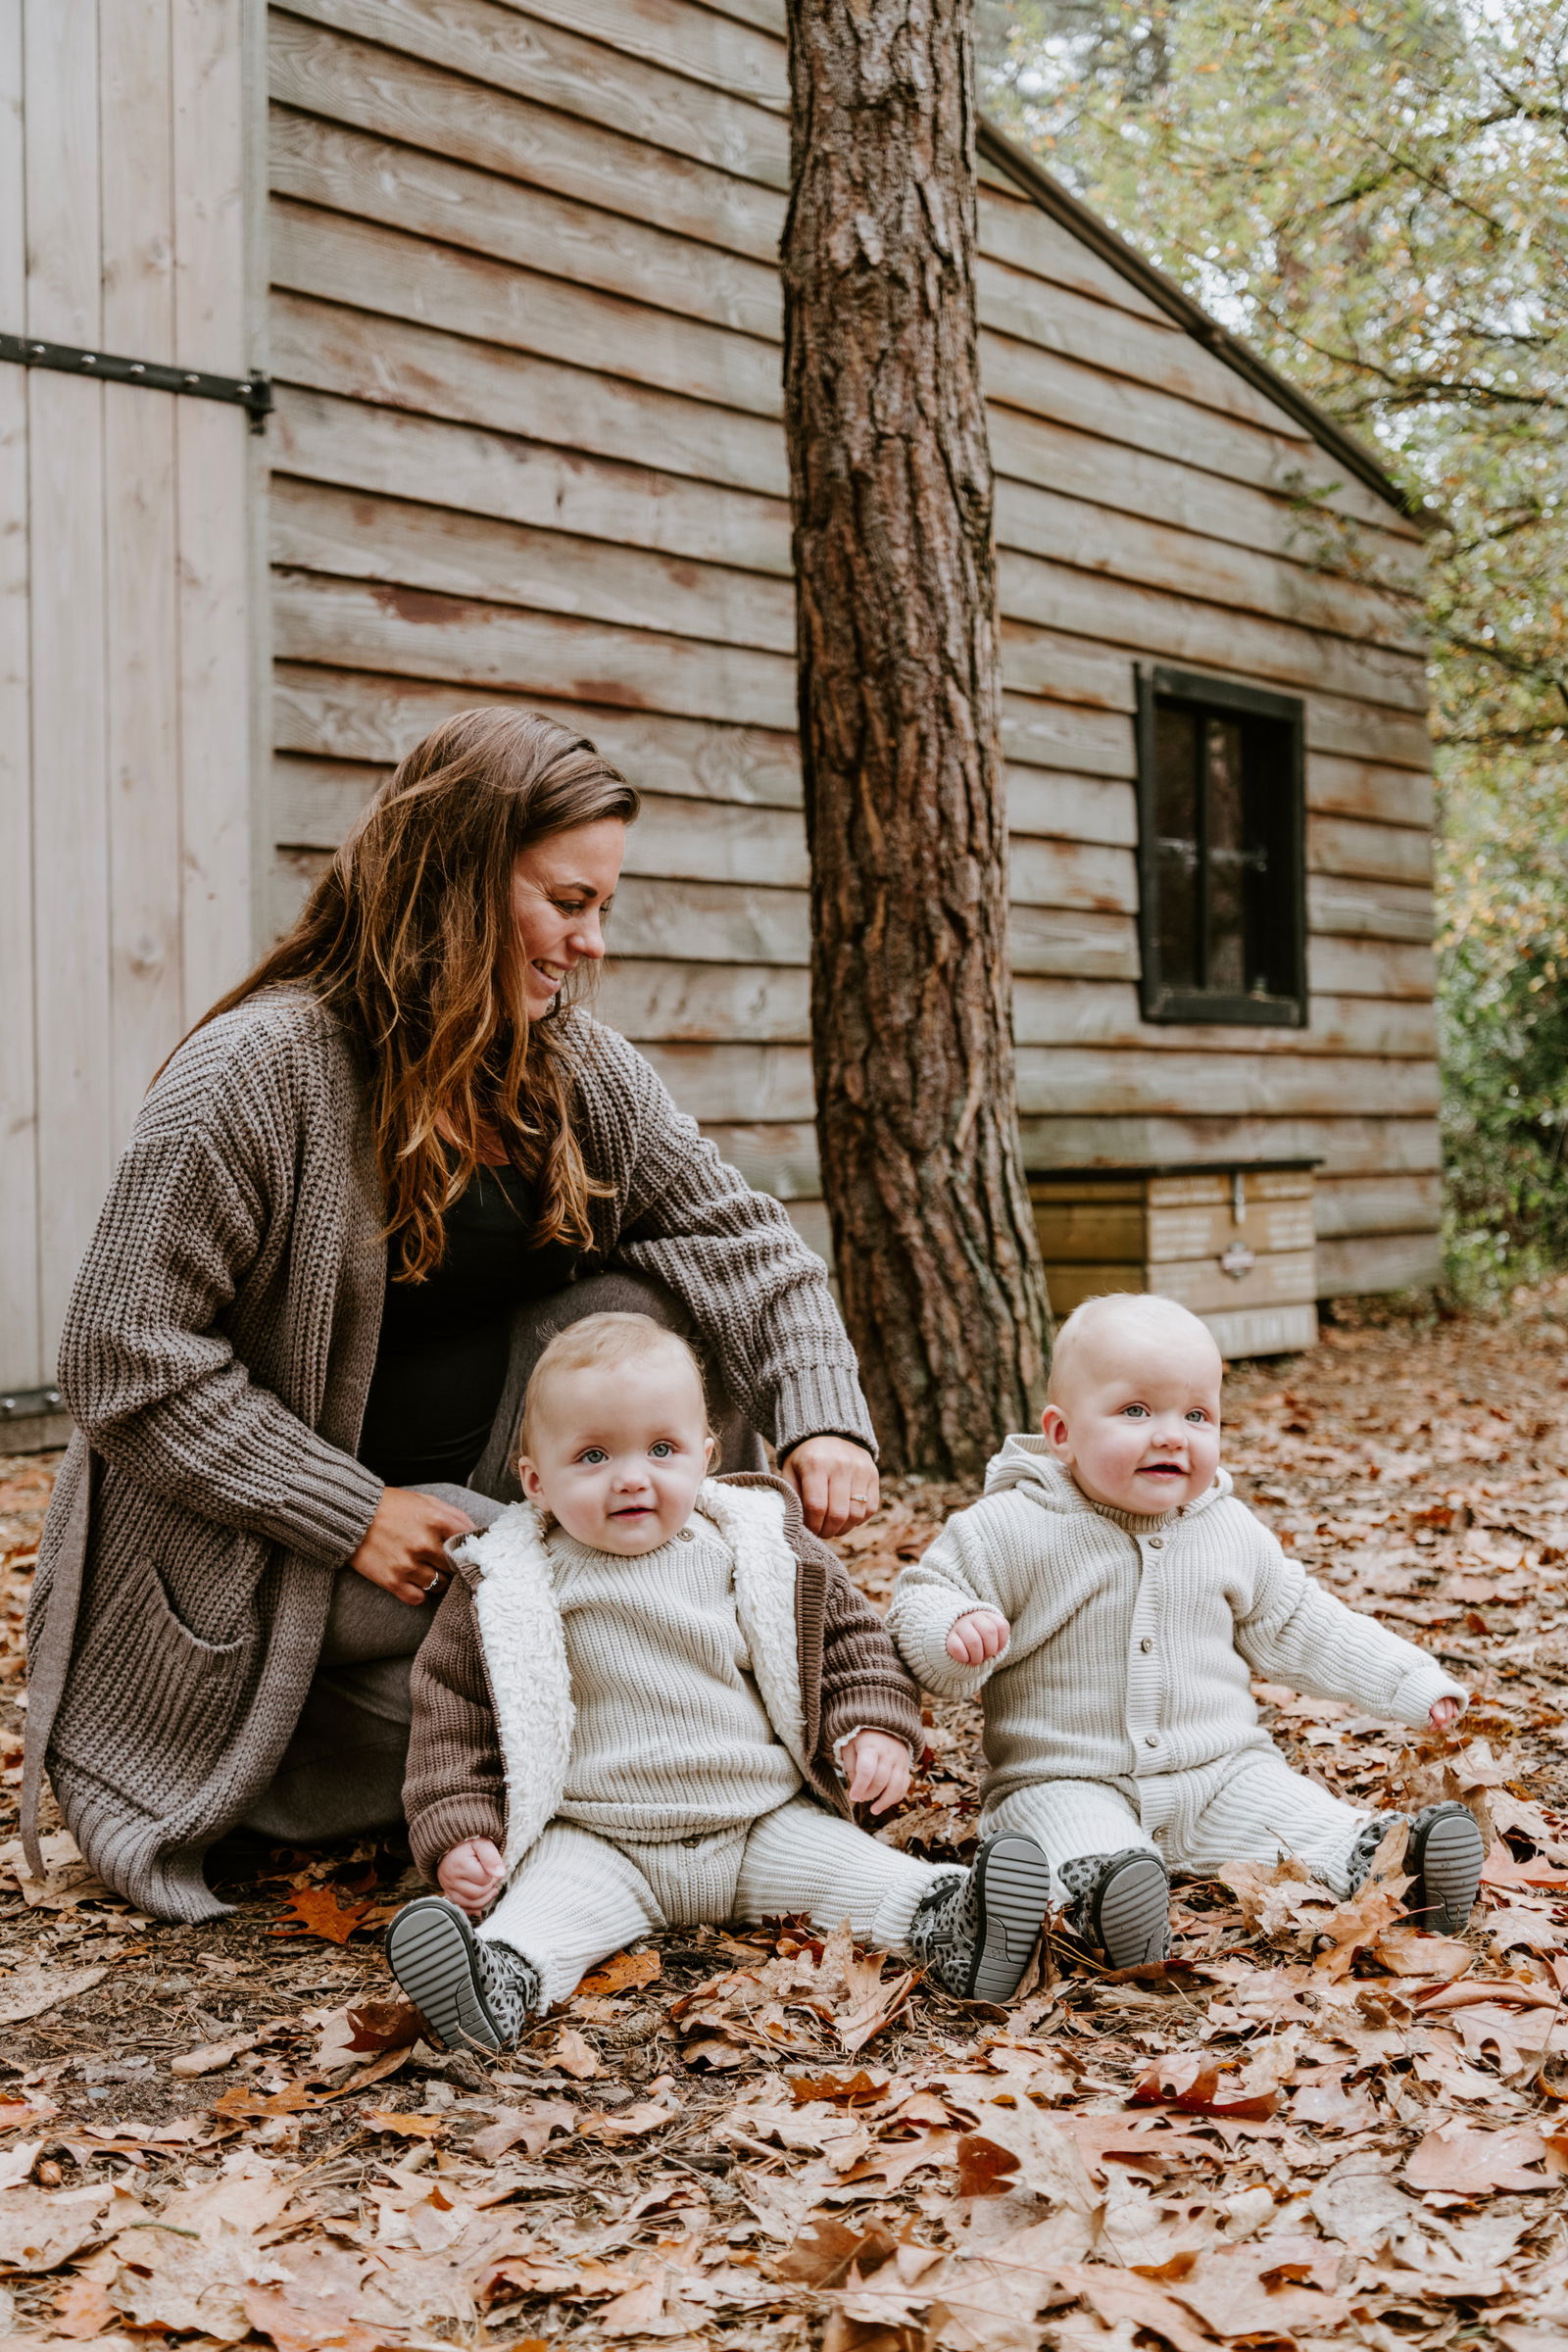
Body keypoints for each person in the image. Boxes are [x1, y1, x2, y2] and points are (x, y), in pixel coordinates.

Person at [24, 710, 889, 1925]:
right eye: (566, 902)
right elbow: (120, 1353)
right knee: (608, 1697)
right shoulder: (259, 1073)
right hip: (291, 1565)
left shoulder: (570, 1065)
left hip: (497, 1529)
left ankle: (650, 1728)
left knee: (643, 1310)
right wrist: (350, 1513)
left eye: (603, 910)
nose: (591, 945)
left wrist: (822, 1421)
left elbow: (745, 1245)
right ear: (458, 879)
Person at [383, 1312, 1052, 2044]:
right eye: (593, 1456)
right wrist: (460, 1836)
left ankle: (957, 1926)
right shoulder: (508, 1580)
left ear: (705, 1455)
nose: (632, 1477)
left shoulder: (759, 1545)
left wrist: (872, 1726)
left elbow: (850, 1643)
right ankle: (494, 1984)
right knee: (543, 1915)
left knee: (863, 1875)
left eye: (661, 1449)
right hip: (600, 1838)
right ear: (536, 1480)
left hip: (761, 1819)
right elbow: (454, 1719)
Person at [887, 1293, 1484, 1971]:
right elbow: (921, 1602)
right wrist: (955, 1631)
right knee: (1079, 1837)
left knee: (1299, 1815)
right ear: (1061, 1432)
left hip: (1221, 1772)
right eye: (1136, 1411)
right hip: (1068, 1777)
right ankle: (1111, 1902)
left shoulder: (1226, 1530)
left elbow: (1302, 1621)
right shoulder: (1010, 1526)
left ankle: (1393, 1865)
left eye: (1197, 1415)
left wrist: (1409, 1680)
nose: (1173, 1434)